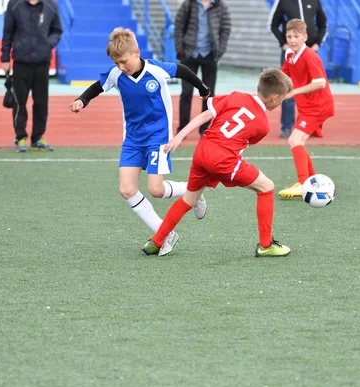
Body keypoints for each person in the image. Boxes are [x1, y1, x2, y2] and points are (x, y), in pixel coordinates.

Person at [68, 28, 211, 242]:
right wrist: (82, 100)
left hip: (158, 136)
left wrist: (202, 88)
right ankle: (166, 234)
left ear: (136, 52)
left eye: (124, 61)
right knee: (126, 190)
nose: (120, 67)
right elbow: (98, 87)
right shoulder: (116, 74)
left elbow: (183, 70)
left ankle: (194, 191)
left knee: (156, 189)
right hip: (133, 139)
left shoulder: (156, 70)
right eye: (116, 63)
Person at [141, 69, 294, 257]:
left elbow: (205, 116)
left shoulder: (236, 96)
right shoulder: (263, 125)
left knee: (189, 199)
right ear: (275, 98)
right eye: (283, 99)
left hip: (202, 151)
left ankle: (156, 241)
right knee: (267, 187)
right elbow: (241, 144)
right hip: (223, 159)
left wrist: (180, 136)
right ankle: (266, 245)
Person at [276, 19, 334, 199]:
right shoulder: (289, 55)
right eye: (289, 36)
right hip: (307, 107)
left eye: (296, 36)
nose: (292, 40)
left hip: (318, 106)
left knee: (294, 140)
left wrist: (293, 92)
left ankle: (303, 184)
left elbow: (320, 83)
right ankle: (312, 182)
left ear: (305, 37)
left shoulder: (310, 56)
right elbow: (283, 76)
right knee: (297, 141)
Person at [1, 0, 62, 152]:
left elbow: (57, 30)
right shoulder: (14, 4)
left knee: (41, 103)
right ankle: (20, 137)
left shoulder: (51, 5)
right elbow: (7, 33)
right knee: (19, 102)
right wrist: (5, 58)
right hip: (21, 62)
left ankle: (37, 138)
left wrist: (48, 43)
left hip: (42, 63)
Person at [269, 0, 327, 138]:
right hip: (291, 51)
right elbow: (273, 25)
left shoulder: (314, 1)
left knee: (312, 90)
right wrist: (283, 43)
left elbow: (323, 24)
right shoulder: (283, 2)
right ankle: (287, 127)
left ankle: (311, 126)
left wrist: (317, 44)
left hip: (310, 52)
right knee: (287, 87)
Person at [174, 0, 232, 136]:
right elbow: (178, 26)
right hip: (189, 55)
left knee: (209, 94)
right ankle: (183, 128)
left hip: (210, 55)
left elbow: (226, 28)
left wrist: (220, 49)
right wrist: (180, 49)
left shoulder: (220, 5)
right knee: (186, 93)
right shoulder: (188, 4)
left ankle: (204, 129)